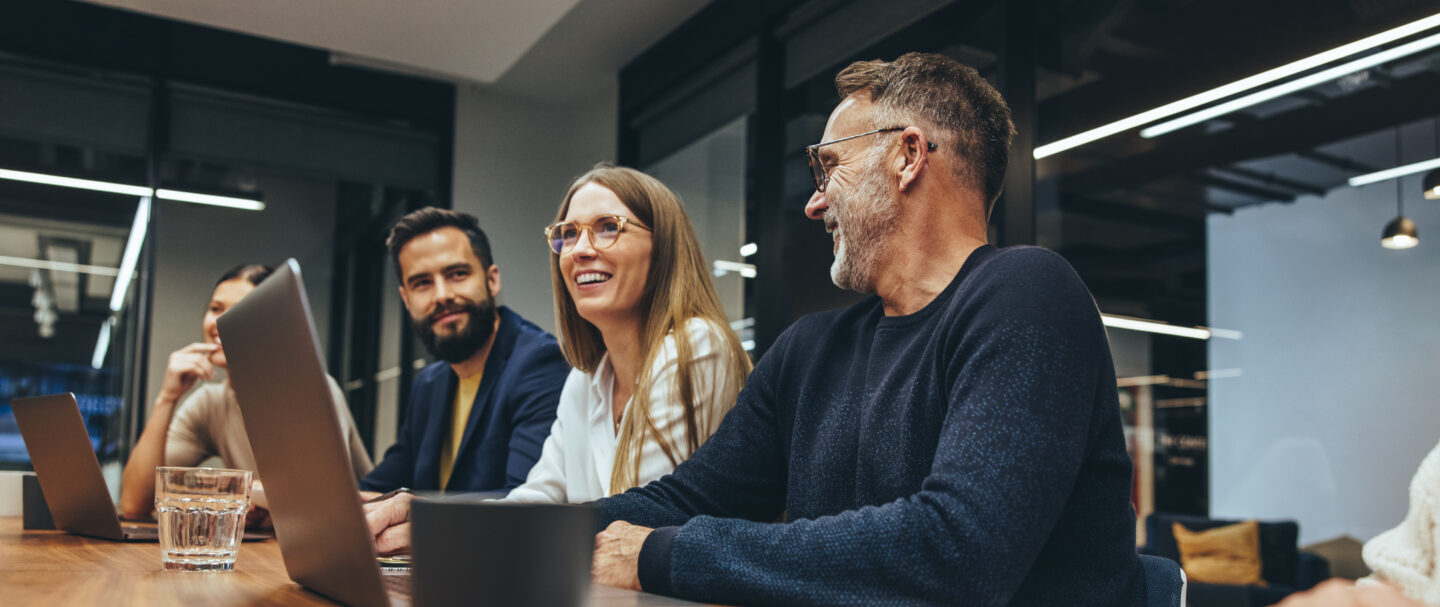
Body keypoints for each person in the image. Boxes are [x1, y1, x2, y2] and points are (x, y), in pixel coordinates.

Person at [365, 52, 1145, 605]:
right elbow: (681, 497)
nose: (813, 202)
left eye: (827, 167)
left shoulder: (1028, 294)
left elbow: (957, 554)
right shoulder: (812, 349)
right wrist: (452, 531)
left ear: (908, 156)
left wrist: (666, 556)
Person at [119, 264, 372, 519]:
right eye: (215, 309)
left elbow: (316, 502)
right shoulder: (210, 403)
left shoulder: (314, 390)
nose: (219, 323)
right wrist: (167, 398)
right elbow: (134, 503)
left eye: (238, 311)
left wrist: (233, 492)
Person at [359, 207, 570, 494]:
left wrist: (413, 516)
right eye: (422, 283)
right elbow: (380, 485)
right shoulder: (429, 384)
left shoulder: (540, 364)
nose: (442, 295)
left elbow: (525, 503)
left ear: (491, 279)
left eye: (457, 274)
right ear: (406, 300)